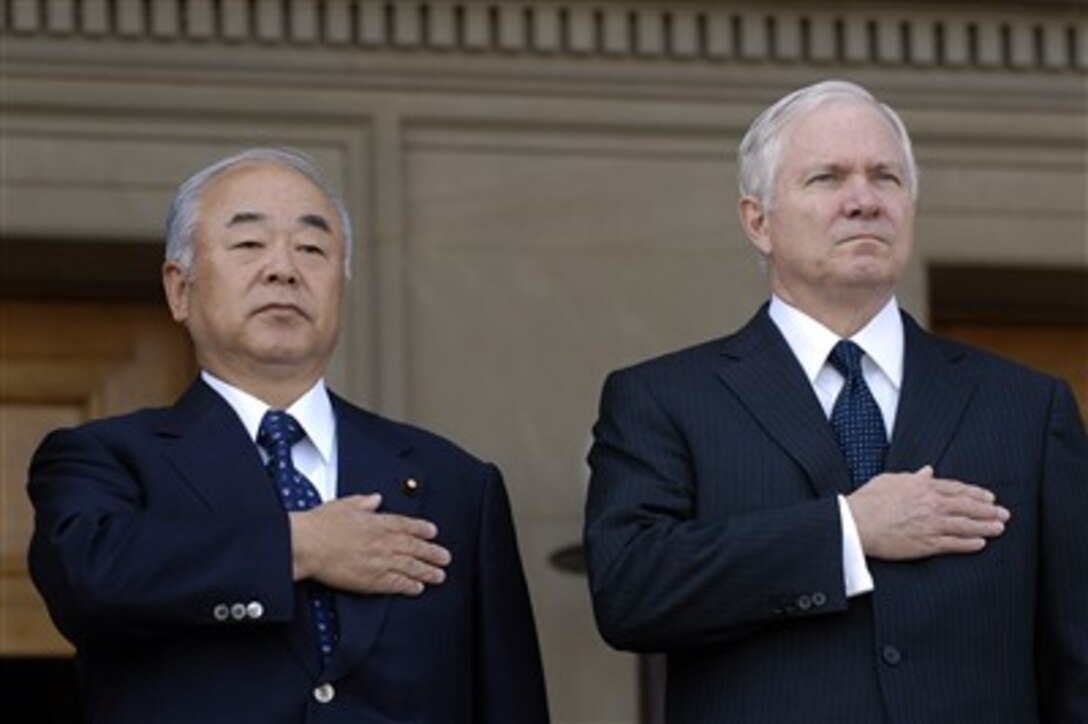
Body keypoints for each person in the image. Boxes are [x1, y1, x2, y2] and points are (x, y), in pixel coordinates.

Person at [583, 79, 1087, 723]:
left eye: (886, 178)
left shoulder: (1026, 407)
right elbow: (630, 590)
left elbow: (1078, 656)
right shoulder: (663, 399)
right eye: (827, 178)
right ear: (757, 221)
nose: (863, 201)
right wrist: (847, 533)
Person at [26, 147, 550, 723]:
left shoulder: (455, 483)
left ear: (340, 287)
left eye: (312, 248)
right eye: (249, 245)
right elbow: (88, 580)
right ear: (180, 289)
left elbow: (509, 700)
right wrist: (299, 546)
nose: (283, 268)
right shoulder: (107, 459)